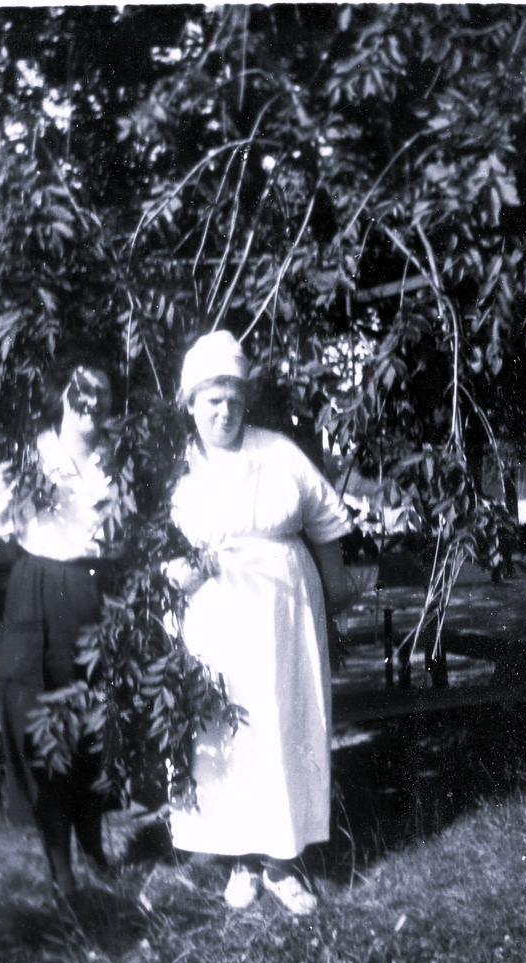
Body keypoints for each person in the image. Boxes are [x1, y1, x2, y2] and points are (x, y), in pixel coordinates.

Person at [166, 330, 353, 915]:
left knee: (282, 721)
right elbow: (159, 548)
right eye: (212, 401)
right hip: (213, 614)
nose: (224, 412)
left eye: (234, 400)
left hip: (283, 610)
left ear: (246, 402)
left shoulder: (277, 452)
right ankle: (240, 856)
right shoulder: (177, 470)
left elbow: (325, 518)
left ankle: (281, 862)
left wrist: (337, 586)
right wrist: (177, 574)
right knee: (224, 730)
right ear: (190, 403)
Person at [0, 361, 117, 901]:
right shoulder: (33, 457)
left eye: (102, 392)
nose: (91, 402)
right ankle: (60, 864)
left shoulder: (116, 459)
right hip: (38, 592)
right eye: (81, 391)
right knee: (41, 722)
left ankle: (93, 843)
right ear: (63, 398)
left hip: (95, 591)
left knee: (93, 722)